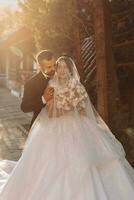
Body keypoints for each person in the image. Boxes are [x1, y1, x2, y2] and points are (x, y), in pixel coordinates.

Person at [0, 56, 134, 199]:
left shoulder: (77, 85)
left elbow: (83, 110)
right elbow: (50, 113)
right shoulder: (52, 84)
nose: (62, 70)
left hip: (78, 126)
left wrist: (73, 106)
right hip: (55, 127)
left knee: (86, 158)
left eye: (65, 67)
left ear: (70, 69)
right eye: (60, 67)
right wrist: (64, 107)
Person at [21, 49, 56, 126]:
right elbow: (24, 107)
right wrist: (43, 99)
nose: (53, 69)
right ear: (40, 67)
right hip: (42, 125)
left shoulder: (63, 76)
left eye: (54, 65)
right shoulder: (31, 84)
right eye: (49, 67)